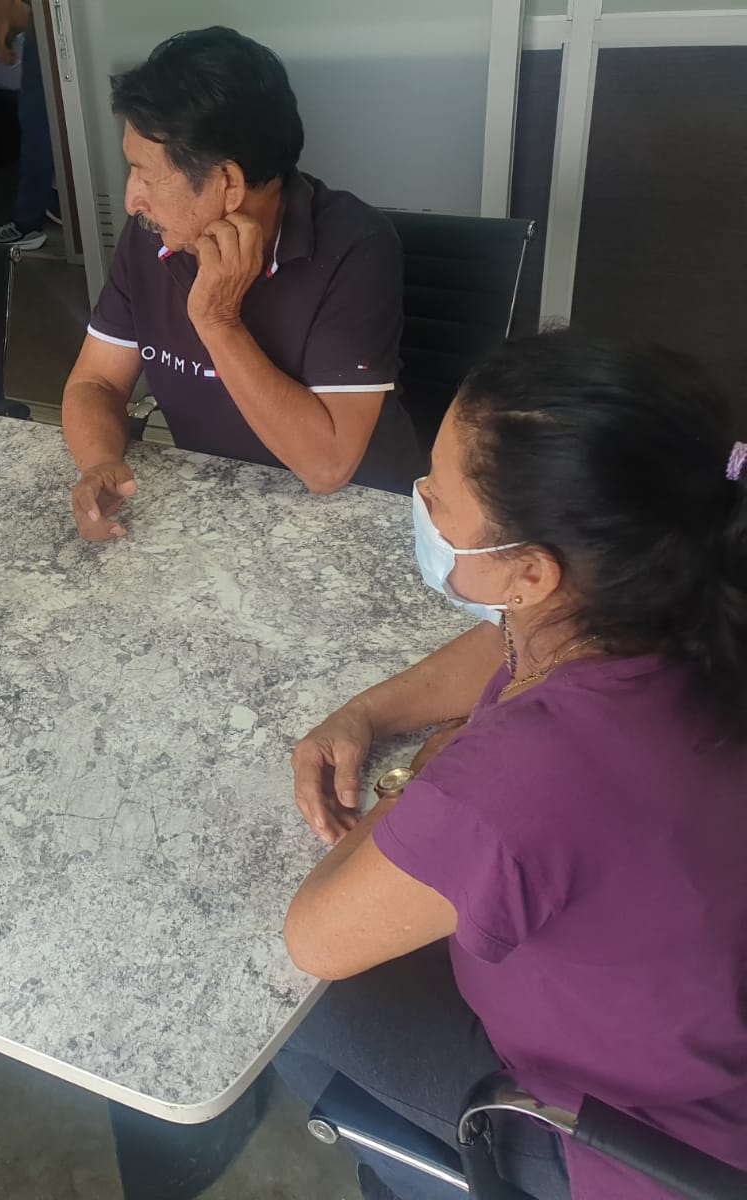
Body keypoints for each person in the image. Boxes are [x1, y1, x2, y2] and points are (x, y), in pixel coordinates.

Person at [277, 332, 747, 1200]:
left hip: (632, 1142)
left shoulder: (519, 778)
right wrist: (365, 713)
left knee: (285, 1023)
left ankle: (416, 1174)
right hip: (706, 1055)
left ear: (531, 572)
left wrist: (425, 770)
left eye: (439, 497)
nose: (422, 503)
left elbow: (316, 937)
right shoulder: (674, 595)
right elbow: (512, 643)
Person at [63, 27, 423, 541]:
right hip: (226, 509)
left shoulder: (355, 245)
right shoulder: (154, 235)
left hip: (360, 520)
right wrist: (100, 462)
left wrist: (218, 321)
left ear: (228, 183)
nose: (131, 199)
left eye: (145, 173)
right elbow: (96, 382)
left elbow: (327, 468)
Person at [0, 0, 58, 251]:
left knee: (38, 122)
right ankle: (55, 200)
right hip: (50, 26)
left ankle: (27, 222)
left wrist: (1, 31)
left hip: (43, 28)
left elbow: (8, 8)